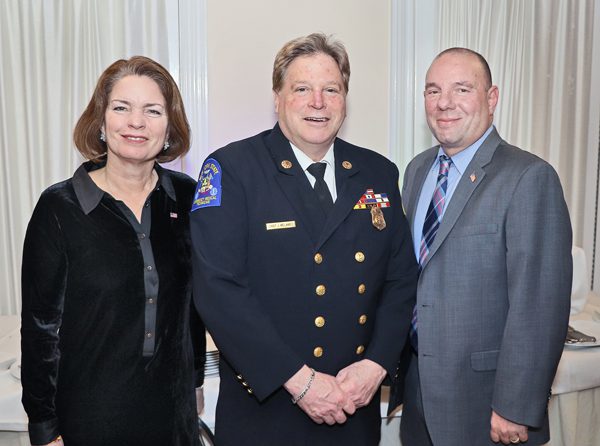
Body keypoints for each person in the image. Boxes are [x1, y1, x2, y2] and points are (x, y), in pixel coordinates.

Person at [190, 33, 418, 445]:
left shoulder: (377, 172)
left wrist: (378, 365)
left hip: (353, 404)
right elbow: (218, 291)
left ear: (345, 99)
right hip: (267, 408)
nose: (319, 102)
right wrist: (299, 382)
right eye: (302, 89)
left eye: (331, 89)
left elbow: (401, 281)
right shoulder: (232, 169)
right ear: (277, 97)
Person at [21, 56, 206, 446]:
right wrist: (43, 427)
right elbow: (40, 329)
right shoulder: (60, 207)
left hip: (173, 418)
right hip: (90, 419)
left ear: (169, 126)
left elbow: (194, 305)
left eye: (152, 111)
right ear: (101, 122)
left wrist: (195, 383)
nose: (136, 122)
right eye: (121, 108)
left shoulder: (189, 197)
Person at [392, 47, 572, 445]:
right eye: (433, 90)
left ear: (491, 98)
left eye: (461, 89)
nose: (444, 103)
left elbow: (539, 303)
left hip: (489, 405)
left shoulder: (528, 177)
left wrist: (515, 405)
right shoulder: (417, 170)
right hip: (419, 395)